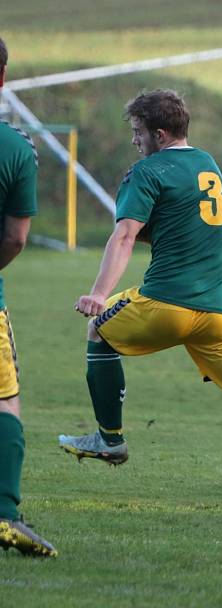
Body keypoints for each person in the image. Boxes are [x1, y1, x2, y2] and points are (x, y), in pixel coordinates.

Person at [57, 89, 222, 515]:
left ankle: (110, 438)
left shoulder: (148, 171)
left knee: (98, 328)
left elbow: (124, 236)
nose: (134, 141)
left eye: (139, 131)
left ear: (159, 134)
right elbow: (185, 225)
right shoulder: (208, 163)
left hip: (167, 303)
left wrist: (99, 294)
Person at [0, 37, 58, 558]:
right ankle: (4, 513)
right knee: (5, 403)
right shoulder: (16, 147)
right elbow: (17, 238)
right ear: (3, 78)